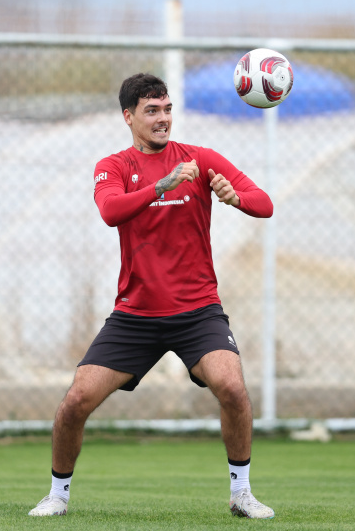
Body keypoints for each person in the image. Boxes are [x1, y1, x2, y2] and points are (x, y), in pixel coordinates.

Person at [28, 73, 275, 518]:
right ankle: (57, 495)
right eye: (152, 111)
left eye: (167, 109)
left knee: (233, 388)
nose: (163, 119)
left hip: (198, 312)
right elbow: (110, 211)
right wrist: (162, 186)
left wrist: (235, 197)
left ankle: (241, 493)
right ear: (129, 117)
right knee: (76, 401)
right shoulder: (114, 166)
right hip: (135, 315)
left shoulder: (200, 158)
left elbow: (265, 203)